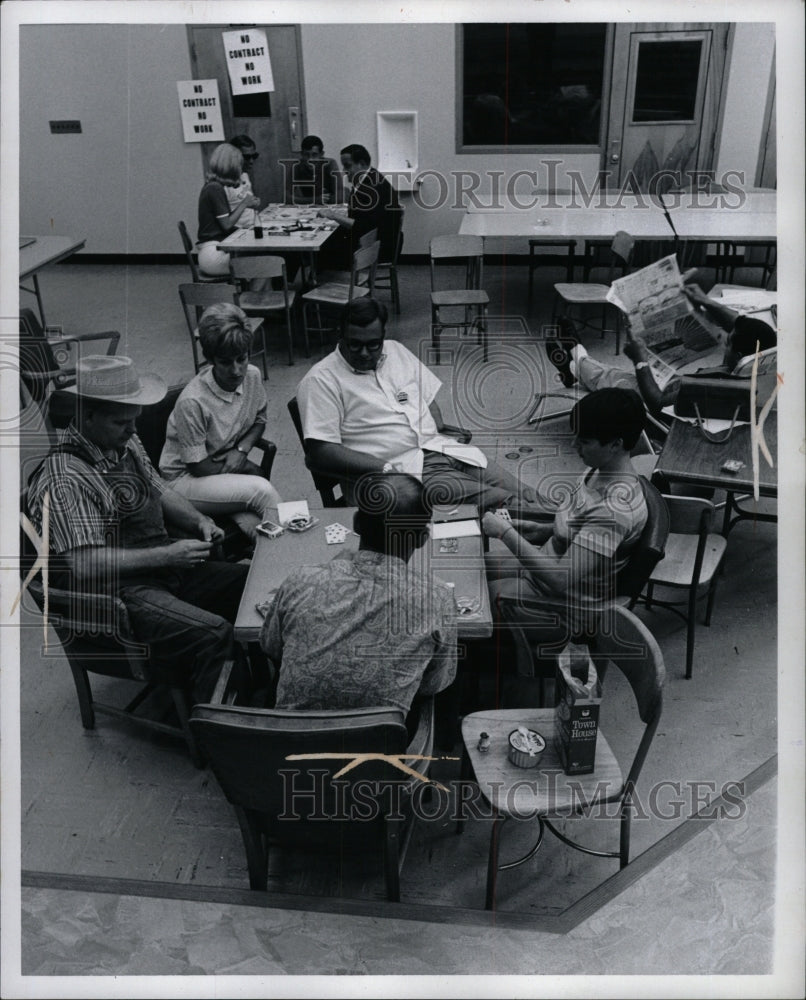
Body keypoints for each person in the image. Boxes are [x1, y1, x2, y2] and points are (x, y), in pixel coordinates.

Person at [26, 355, 251, 706]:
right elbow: (85, 564)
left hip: (159, 566)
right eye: (122, 423)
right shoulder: (65, 478)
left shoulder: (123, 441)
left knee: (249, 587)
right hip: (115, 595)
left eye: (134, 421)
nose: (133, 431)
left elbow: (158, 489)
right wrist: (168, 554)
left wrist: (198, 521)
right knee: (215, 634)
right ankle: (220, 738)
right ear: (87, 416)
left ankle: (251, 694)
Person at [480, 388, 648, 697]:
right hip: (548, 570)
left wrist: (505, 533)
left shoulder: (614, 510)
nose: (574, 446)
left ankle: (477, 683)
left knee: (475, 604)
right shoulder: (598, 469)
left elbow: (560, 580)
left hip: (568, 605)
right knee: (472, 570)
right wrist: (533, 528)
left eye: (584, 441)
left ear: (616, 445)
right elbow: (571, 527)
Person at [296, 297, 535, 510]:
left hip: (442, 449)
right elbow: (321, 453)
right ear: (341, 336)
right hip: (401, 475)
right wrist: (386, 468)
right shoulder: (322, 380)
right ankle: (560, 530)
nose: (365, 353)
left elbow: (429, 401)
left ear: (383, 335)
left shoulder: (396, 351)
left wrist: (435, 429)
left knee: (527, 493)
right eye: (355, 344)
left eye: (374, 344)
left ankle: (559, 525)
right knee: (505, 501)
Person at [259, 472, 457, 726]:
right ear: (422, 539)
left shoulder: (301, 580)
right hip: (378, 756)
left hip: (291, 745)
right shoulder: (437, 598)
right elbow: (434, 684)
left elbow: (271, 647)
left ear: (356, 523)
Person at [546, 289, 777, 418]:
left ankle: (577, 357)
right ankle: (573, 369)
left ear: (736, 353)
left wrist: (640, 362)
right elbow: (737, 323)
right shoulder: (762, 359)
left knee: (614, 379)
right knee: (618, 374)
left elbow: (656, 404)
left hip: (657, 405)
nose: (723, 338)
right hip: (676, 385)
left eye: (727, 341)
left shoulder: (714, 386)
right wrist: (703, 301)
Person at [159, 303, 282, 543]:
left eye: (242, 358)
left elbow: (260, 419)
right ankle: (294, 560)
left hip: (222, 466)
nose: (237, 370)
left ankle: (273, 564)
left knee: (259, 528)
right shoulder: (193, 401)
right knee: (262, 491)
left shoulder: (252, 376)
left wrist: (242, 450)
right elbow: (198, 467)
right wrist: (246, 468)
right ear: (210, 359)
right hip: (185, 480)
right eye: (225, 362)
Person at [315, 143, 399, 270]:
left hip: (375, 248)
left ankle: (324, 284)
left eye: (347, 166)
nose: (344, 171)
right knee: (328, 238)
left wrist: (332, 215)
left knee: (323, 247)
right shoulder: (371, 177)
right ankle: (317, 281)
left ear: (362, 164)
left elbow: (360, 225)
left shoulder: (371, 188)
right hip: (374, 240)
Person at [197, 142, 261, 277]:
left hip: (215, 249)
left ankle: (254, 294)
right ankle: (256, 296)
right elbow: (226, 225)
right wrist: (244, 203)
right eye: (238, 165)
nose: (240, 170)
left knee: (261, 257)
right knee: (265, 264)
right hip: (213, 255)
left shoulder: (213, 186)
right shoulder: (215, 189)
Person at [282, 134, 342, 206]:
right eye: (306, 155)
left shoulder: (330, 164)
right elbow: (286, 198)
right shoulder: (297, 166)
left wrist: (303, 200)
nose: (310, 159)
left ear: (321, 154)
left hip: (331, 206)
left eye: (314, 155)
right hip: (312, 205)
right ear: (301, 154)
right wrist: (315, 200)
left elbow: (340, 197)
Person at [226, 134, 260, 228]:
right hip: (236, 231)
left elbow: (247, 201)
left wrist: (254, 202)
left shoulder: (244, 176)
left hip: (252, 225)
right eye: (246, 157)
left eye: (254, 156)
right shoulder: (224, 183)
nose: (251, 161)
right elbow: (224, 222)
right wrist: (245, 204)